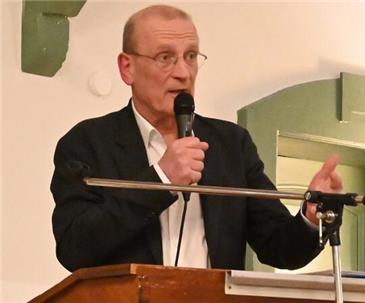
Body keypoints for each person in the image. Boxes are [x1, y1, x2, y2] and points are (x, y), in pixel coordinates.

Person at [50, 5, 343, 272]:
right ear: (128, 68)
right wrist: (162, 179)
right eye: (165, 57)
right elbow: (75, 248)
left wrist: (311, 218)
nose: (183, 72)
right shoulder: (87, 143)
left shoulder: (231, 144)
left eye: (191, 56)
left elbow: (279, 249)